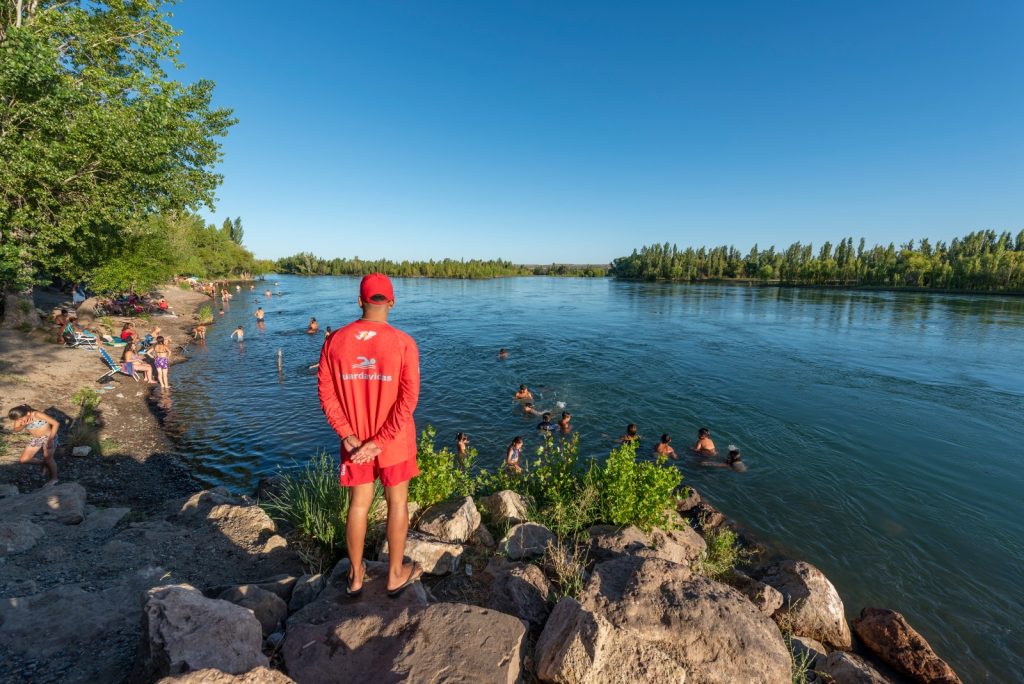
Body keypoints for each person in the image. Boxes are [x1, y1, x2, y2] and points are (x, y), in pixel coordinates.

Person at [317, 273, 422, 597]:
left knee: (358, 506)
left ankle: (356, 575)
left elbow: (326, 392)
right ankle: (394, 574)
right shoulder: (404, 343)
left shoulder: (335, 341)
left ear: (360, 301)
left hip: (355, 442)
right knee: (397, 502)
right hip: (394, 442)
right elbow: (409, 399)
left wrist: (348, 435)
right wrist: (380, 441)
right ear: (391, 302)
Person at [7, 405, 60, 486]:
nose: (19, 420)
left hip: (49, 437)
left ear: (28, 413)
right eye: (17, 420)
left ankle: (54, 479)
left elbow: (56, 424)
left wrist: (50, 440)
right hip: (36, 438)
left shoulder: (37, 414)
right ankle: (43, 463)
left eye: (20, 419)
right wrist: (24, 425)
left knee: (48, 458)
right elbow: (16, 429)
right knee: (23, 459)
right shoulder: (19, 417)